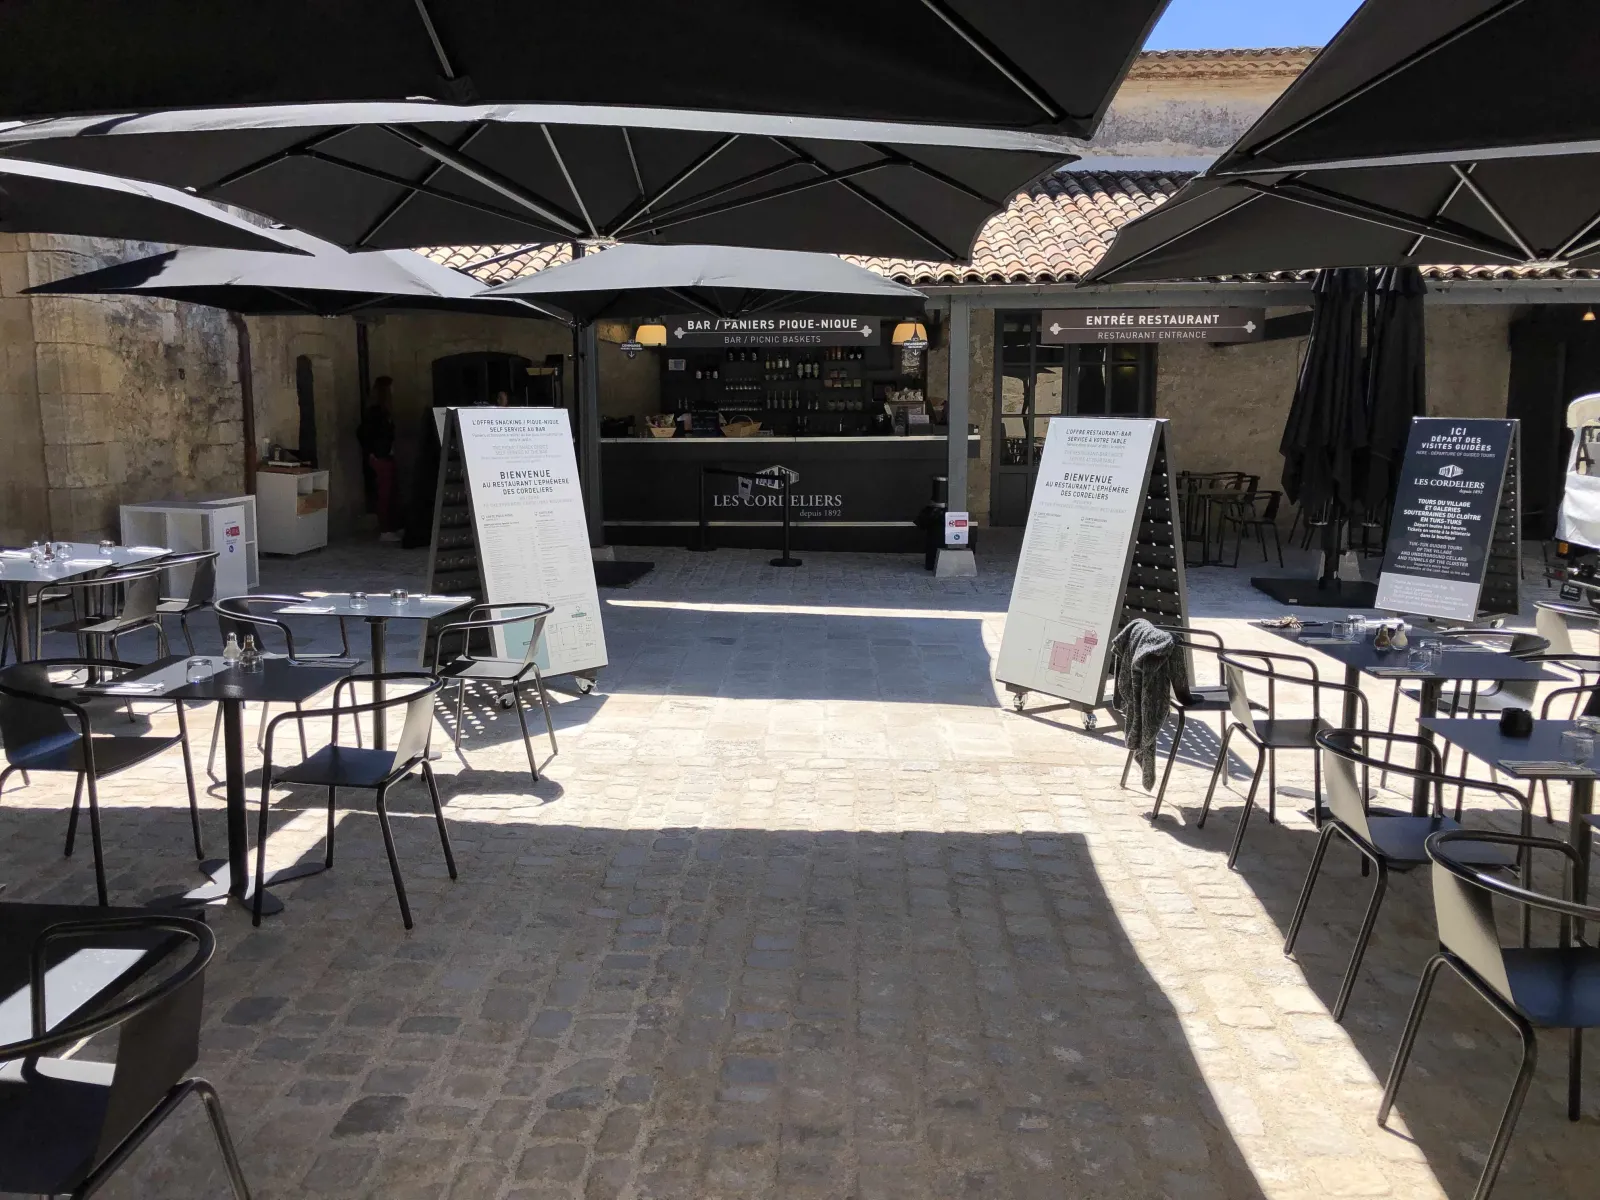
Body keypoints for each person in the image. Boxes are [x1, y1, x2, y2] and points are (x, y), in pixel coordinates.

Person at [357, 376, 400, 542]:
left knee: (391, 492)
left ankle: (392, 526)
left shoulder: (383, 411)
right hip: (381, 457)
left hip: (386, 455)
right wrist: (372, 452)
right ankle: (385, 529)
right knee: (384, 494)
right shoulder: (376, 412)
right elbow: (364, 433)